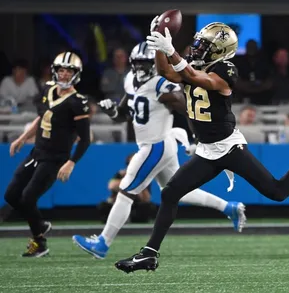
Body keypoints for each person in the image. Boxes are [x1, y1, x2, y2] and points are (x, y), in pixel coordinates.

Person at [112, 19, 289, 274]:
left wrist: (170, 49)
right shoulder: (192, 64)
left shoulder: (226, 70)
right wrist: (160, 44)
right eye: (197, 43)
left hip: (228, 148)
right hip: (206, 150)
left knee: (277, 192)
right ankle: (149, 254)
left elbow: (192, 76)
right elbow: (167, 73)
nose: (196, 48)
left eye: (203, 45)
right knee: (170, 193)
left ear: (219, 49)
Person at [72, 42, 247, 259]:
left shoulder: (162, 85)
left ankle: (103, 243)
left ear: (154, 63)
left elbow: (188, 109)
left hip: (156, 145)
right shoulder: (130, 81)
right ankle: (228, 207)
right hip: (156, 145)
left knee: (126, 190)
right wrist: (112, 111)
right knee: (176, 190)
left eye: (146, 63)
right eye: (137, 63)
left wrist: (197, 135)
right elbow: (124, 114)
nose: (141, 68)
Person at [4, 52, 91, 257]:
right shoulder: (48, 89)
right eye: (60, 70)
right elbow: (42, 117)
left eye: (68, 71)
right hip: (37, 152)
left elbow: (85, 139)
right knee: (11, 195)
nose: (63, 75)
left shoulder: (77, 101)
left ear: (76, 74)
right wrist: (22, 138)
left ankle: (39, 240)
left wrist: (71, 162)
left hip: (55, 158)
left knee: (27, 198)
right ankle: (40, 228)